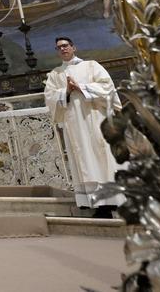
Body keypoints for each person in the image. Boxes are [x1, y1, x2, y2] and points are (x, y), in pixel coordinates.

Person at [43, 36, 122, 217]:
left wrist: (82, 87)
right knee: (84, 160)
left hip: (95, 121)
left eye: (65, 46)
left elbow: (108, 88)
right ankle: (91, 201)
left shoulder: (91, 66)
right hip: (75, 126)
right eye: (58, 47)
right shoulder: (55, 75)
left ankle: (110, 202)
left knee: (101, 158)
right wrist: (67, 91)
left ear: (73, 47)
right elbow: (50, 98)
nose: (62, 49)